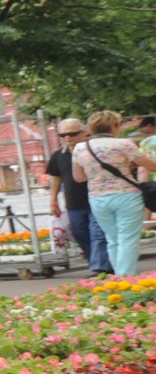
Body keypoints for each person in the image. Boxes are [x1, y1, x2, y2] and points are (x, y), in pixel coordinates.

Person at [72, 109, 156, 277]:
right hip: (127, 196)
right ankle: (125, 279)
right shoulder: (124, 144)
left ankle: (118, 277)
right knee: (128, 238)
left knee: (113, 239)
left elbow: (79, 177)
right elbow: (151, 166)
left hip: (97, 198)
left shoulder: (80, 148)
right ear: (113, 126)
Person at [46, 120, 110, 275]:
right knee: (80, 233)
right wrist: (53, 200)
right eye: (63, 135)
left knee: (98, 234)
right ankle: (97, 263)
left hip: (97, 198)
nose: (67, 137)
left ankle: (101, 268)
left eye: (72, 133)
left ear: (84, 132)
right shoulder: (58, 156)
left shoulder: (94, 150)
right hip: (73, 203)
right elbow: (55, 178)